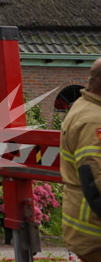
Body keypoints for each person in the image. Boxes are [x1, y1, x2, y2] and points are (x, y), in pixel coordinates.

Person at [61, 58, 101, 262]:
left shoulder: (85, 105)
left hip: (85, 226)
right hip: (95, 232)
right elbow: (94, 180)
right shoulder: (94, 121)